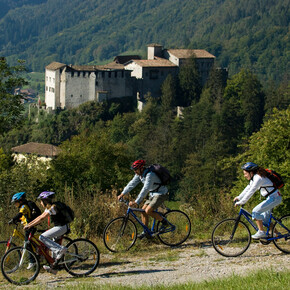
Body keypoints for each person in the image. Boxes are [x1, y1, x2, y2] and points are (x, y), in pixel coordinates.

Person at [118, 160, 170, 239]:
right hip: (152, 194)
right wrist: (122, 193)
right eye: (134, 170)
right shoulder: (139, 175)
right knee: (143, 211)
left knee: (148, 211)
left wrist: (136, 202)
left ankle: (165, 223)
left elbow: (145, 189)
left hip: (161, 193)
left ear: (141, 168)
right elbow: (131, 184)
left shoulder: (150, 175)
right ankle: (146, 233)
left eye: (136, 169)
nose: (135, 171)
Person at [234, 162, 282, 239]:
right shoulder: (255, 178)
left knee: (255, 212)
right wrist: (239, 197)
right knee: (265, 220)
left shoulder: (258, 178)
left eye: (245, 173)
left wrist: (241, 202)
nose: (244, 176)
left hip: (274, 198)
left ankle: (261, 232)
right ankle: (277, 234)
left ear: (251, 172)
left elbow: (251, 191)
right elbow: (248, 188)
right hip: (271, 198)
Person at [24, 191, 69, 275]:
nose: (40, 203)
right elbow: (40, 217)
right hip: (60, 227)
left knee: (42, 237)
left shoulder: (52, 208)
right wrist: (29, 224)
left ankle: (60, 250)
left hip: (62, 227)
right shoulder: (49, 208)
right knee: (52, 243)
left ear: (45, 200)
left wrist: (29, 226)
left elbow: (42, 219)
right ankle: (54, 268)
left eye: (41, 201)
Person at [10, 192, 37, 270]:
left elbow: (20, 214)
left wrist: (13, 219)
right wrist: (16, 220)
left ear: (20, 201)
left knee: (27, 243)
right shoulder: (24, 206)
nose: (15, 204)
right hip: (28, 227)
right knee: (27, 242)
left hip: (30, 227)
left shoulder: (24, 206)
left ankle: (32, 261)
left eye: (15, 202)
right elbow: (23, 217)